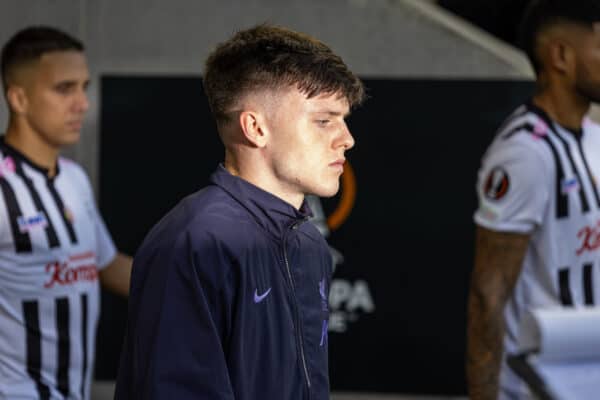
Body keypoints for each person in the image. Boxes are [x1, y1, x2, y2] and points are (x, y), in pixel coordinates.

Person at [114, 24, 364, 399]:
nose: (347, 139)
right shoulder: (195, 241)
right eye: (324, 120)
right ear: (255, 127)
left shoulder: (309, 245)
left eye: (344, 120)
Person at [468, 1, 600, 399]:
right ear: (561, 55)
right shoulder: (524, 151)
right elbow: (488, 295)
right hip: (538, 385)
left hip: (587, 372)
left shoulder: (592, 135)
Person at [0, 26, 132, 399]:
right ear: (19, 99)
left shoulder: (73, 179)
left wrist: (202, 290)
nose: (82, 103)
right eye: (64, 88)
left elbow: (105, 266)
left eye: (83, 87)